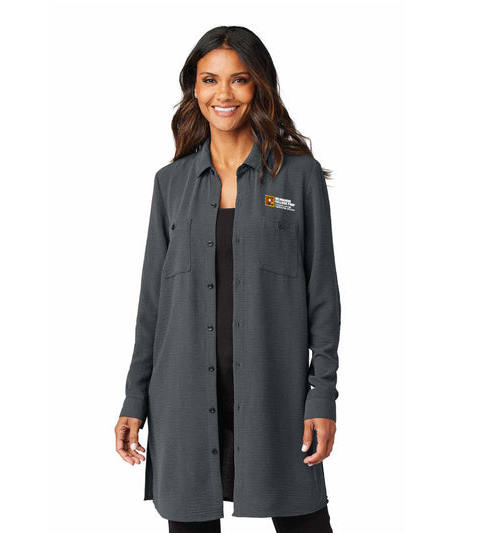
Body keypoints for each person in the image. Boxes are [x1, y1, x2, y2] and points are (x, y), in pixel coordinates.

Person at [115, 26, 341, 533]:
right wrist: (135, 399)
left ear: (259, 85)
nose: (224, 93)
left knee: (305, 521)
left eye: (239, 79)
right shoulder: (170, 184)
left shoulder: (298, 176)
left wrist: (321, 394)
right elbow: (153, 305)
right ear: (194, 89)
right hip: (183, 400)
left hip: (276, 397)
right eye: (209, 79)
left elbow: (323, 299)